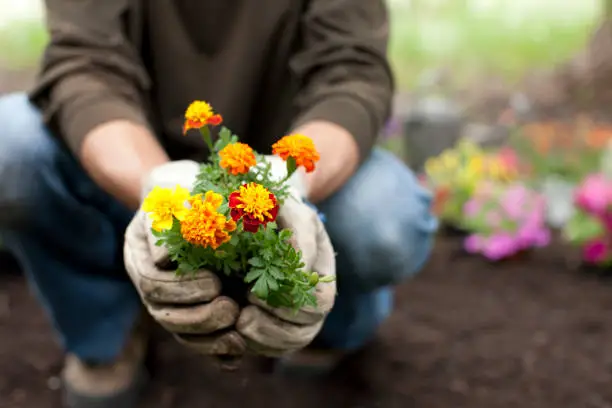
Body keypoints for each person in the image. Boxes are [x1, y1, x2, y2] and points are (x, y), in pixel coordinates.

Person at [0, 0, 438, 407]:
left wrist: (287, 183)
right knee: (11, 148)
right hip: (129, 150)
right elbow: (85, 66)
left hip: (289, 151)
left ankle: (330, 328)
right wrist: (159, 187)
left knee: (382, 221)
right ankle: (106, 334)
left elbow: (351, 72)